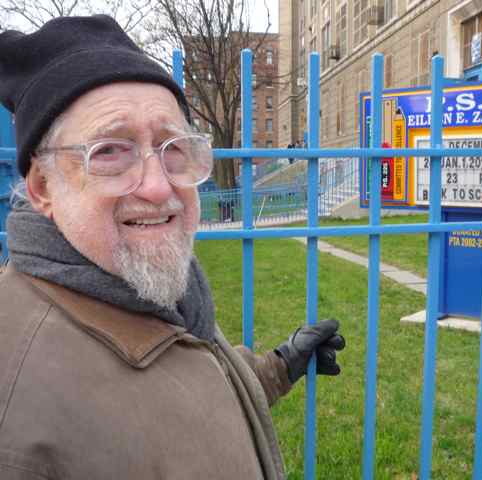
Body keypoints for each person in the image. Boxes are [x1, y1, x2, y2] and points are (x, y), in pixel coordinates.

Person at [0, 15, 344, 480]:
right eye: (110, 151)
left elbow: (180, 396)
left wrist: (278, 367)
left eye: (173, 147)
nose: (159, 188)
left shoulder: (142, 290)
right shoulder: (15, 409)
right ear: (42, 186)